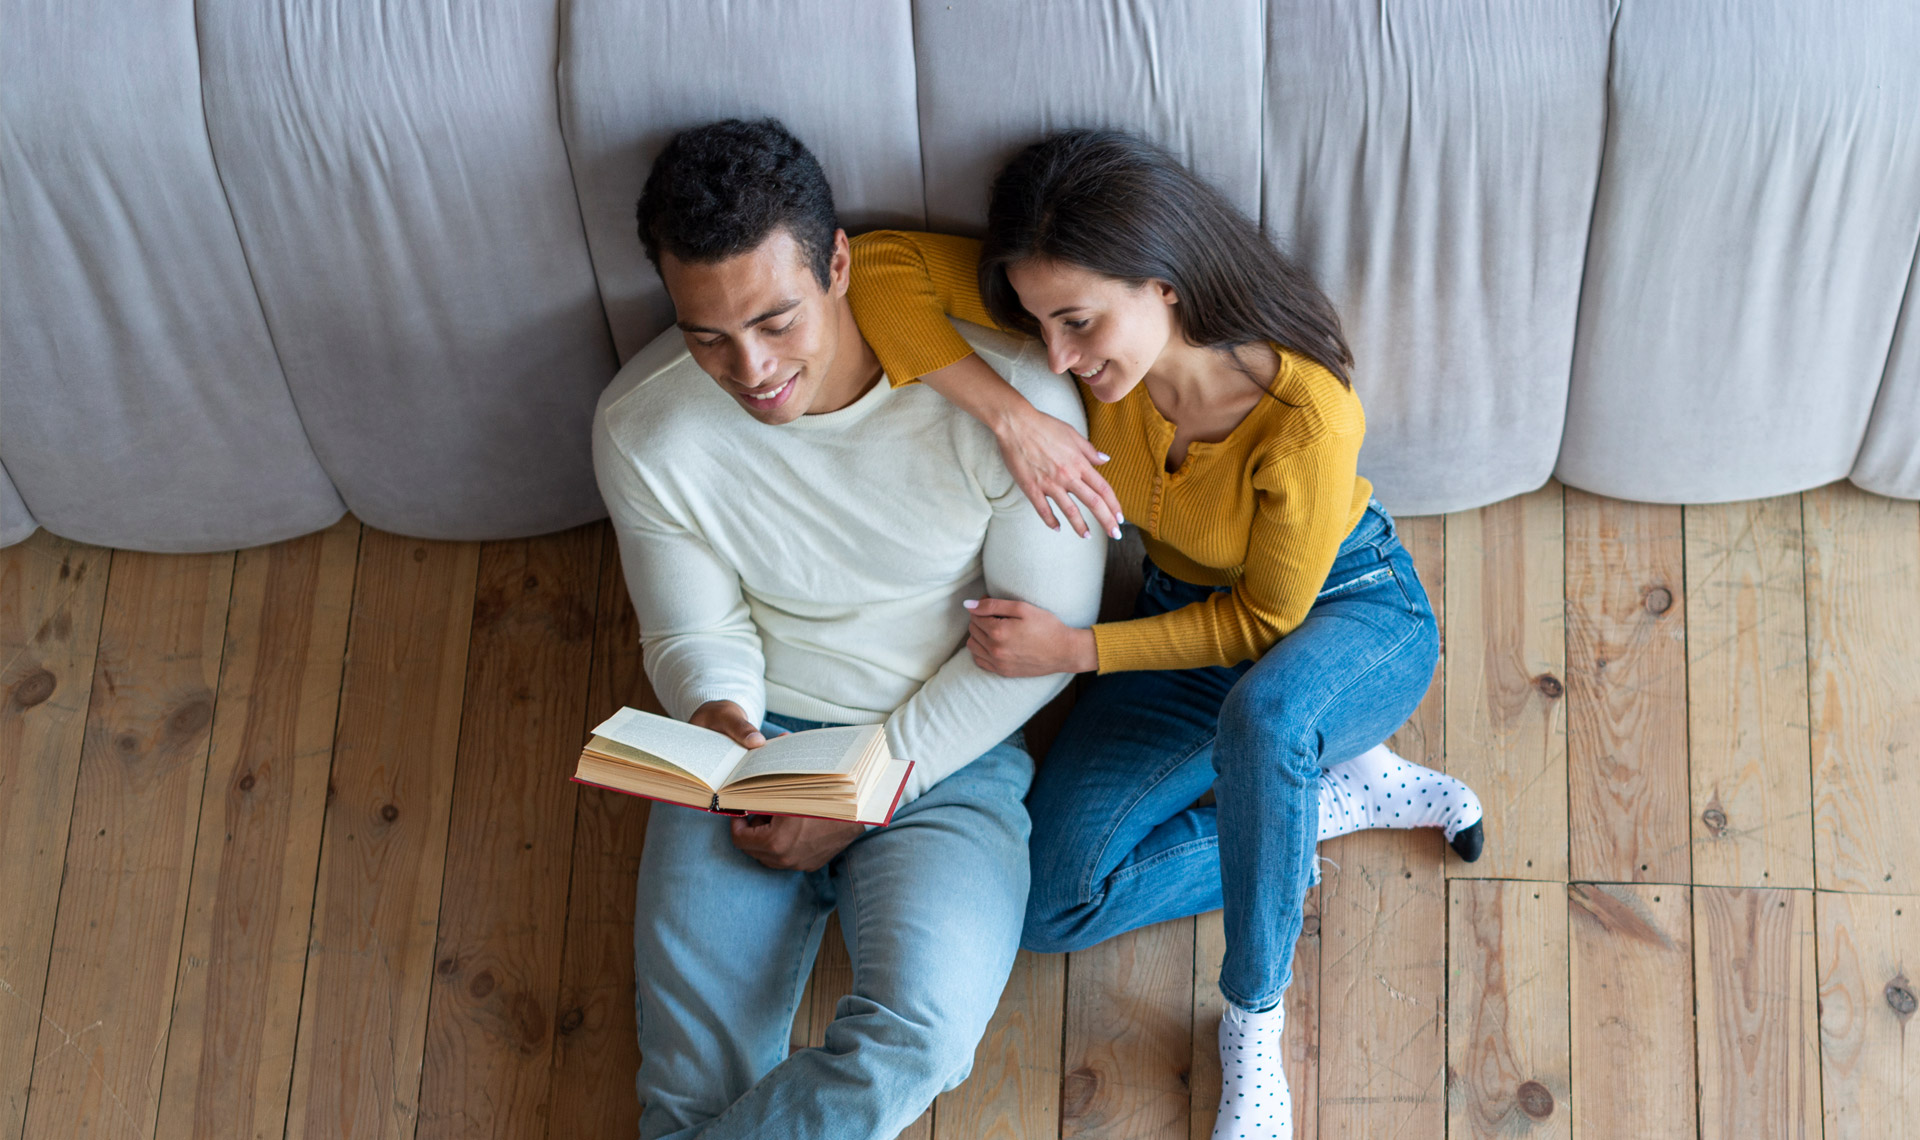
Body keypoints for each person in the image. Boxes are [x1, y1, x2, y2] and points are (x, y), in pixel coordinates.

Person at [844, 129, 1486, 1140]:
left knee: (1269, 717)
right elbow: (876, 268)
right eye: (1039, 323)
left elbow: (1266, 620)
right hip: (1180, 622)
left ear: (1165, 282)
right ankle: (1318, 806)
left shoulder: (1305, 414)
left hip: (1346, 611)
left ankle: (1254, 1021)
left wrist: (1077, 651)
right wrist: (1014, 416)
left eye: (1078, 322)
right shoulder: (1085, 347)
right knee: (1051, 902)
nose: (1059, 354)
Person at [593, 118, 1104, 1140]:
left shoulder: (1014, 400)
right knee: (687, 1096)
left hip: (944, 749)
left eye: (775, 320)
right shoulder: (644, 425)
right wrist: (720, 719)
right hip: (762, 746)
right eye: (706, 336)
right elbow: (695, 627)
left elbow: (1038, 652)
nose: (749, 368)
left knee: (920, 1035)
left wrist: (861, 793)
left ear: (837, 264)